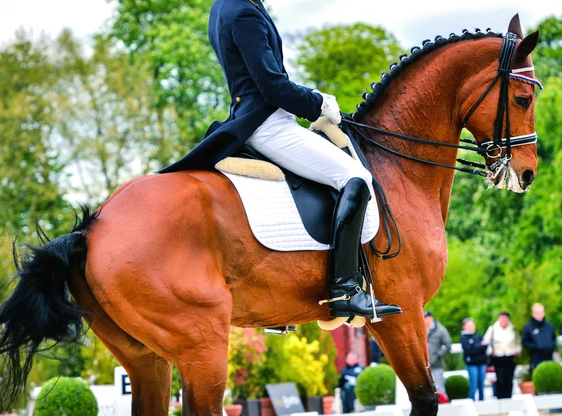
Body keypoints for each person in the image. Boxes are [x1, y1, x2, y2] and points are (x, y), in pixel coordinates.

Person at [158, 0, 401, 322]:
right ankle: (345, 291)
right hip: (268, 124)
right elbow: (272, 86)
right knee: (354, 178)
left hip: (264, 118)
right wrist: (316, 101)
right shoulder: (243, 11)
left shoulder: (223, 7)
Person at [483, 311, 521, 399]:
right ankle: (501, 399)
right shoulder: (493, 329)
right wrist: (491, 351)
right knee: (500, 379)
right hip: (498, 357)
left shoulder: (512, 329)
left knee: (509, 379)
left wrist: (517, 350)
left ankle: (508, 398)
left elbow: (518, 342)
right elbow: (486, 342)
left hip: (509, 356)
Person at [522, 303, 557, 369]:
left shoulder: (549, 326)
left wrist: (551, 347)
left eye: (541, 312)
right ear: (533, 313)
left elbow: (554, 339)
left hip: (549, 356)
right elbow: (525, 342)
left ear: (544, 312)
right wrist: (537, 347)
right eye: (537, 312)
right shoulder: (528, 327)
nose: (539, 314)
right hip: (536, 358)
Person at [424, 310, 452, 394]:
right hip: (424, 365)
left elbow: (448, 344)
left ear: (431, 318)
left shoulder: (440, 329)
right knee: (426, 389)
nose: (425, 320)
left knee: (440, 388)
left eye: (426, 318)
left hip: (437, 364)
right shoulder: (421, 329)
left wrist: (438, 355)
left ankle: (443, 404)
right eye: (423, 318)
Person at [460, 318, 487, 401]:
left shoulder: (478, 336)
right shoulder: (464, 338)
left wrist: (475, 347)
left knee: (481, 385)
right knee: (473, 386)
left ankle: (482, 403)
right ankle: (472, 403)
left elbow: (485, 347)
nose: (471, 327)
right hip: (472, 364)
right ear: (464, 327)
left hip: (481, 363)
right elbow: (468, 351)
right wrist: (479, 346)